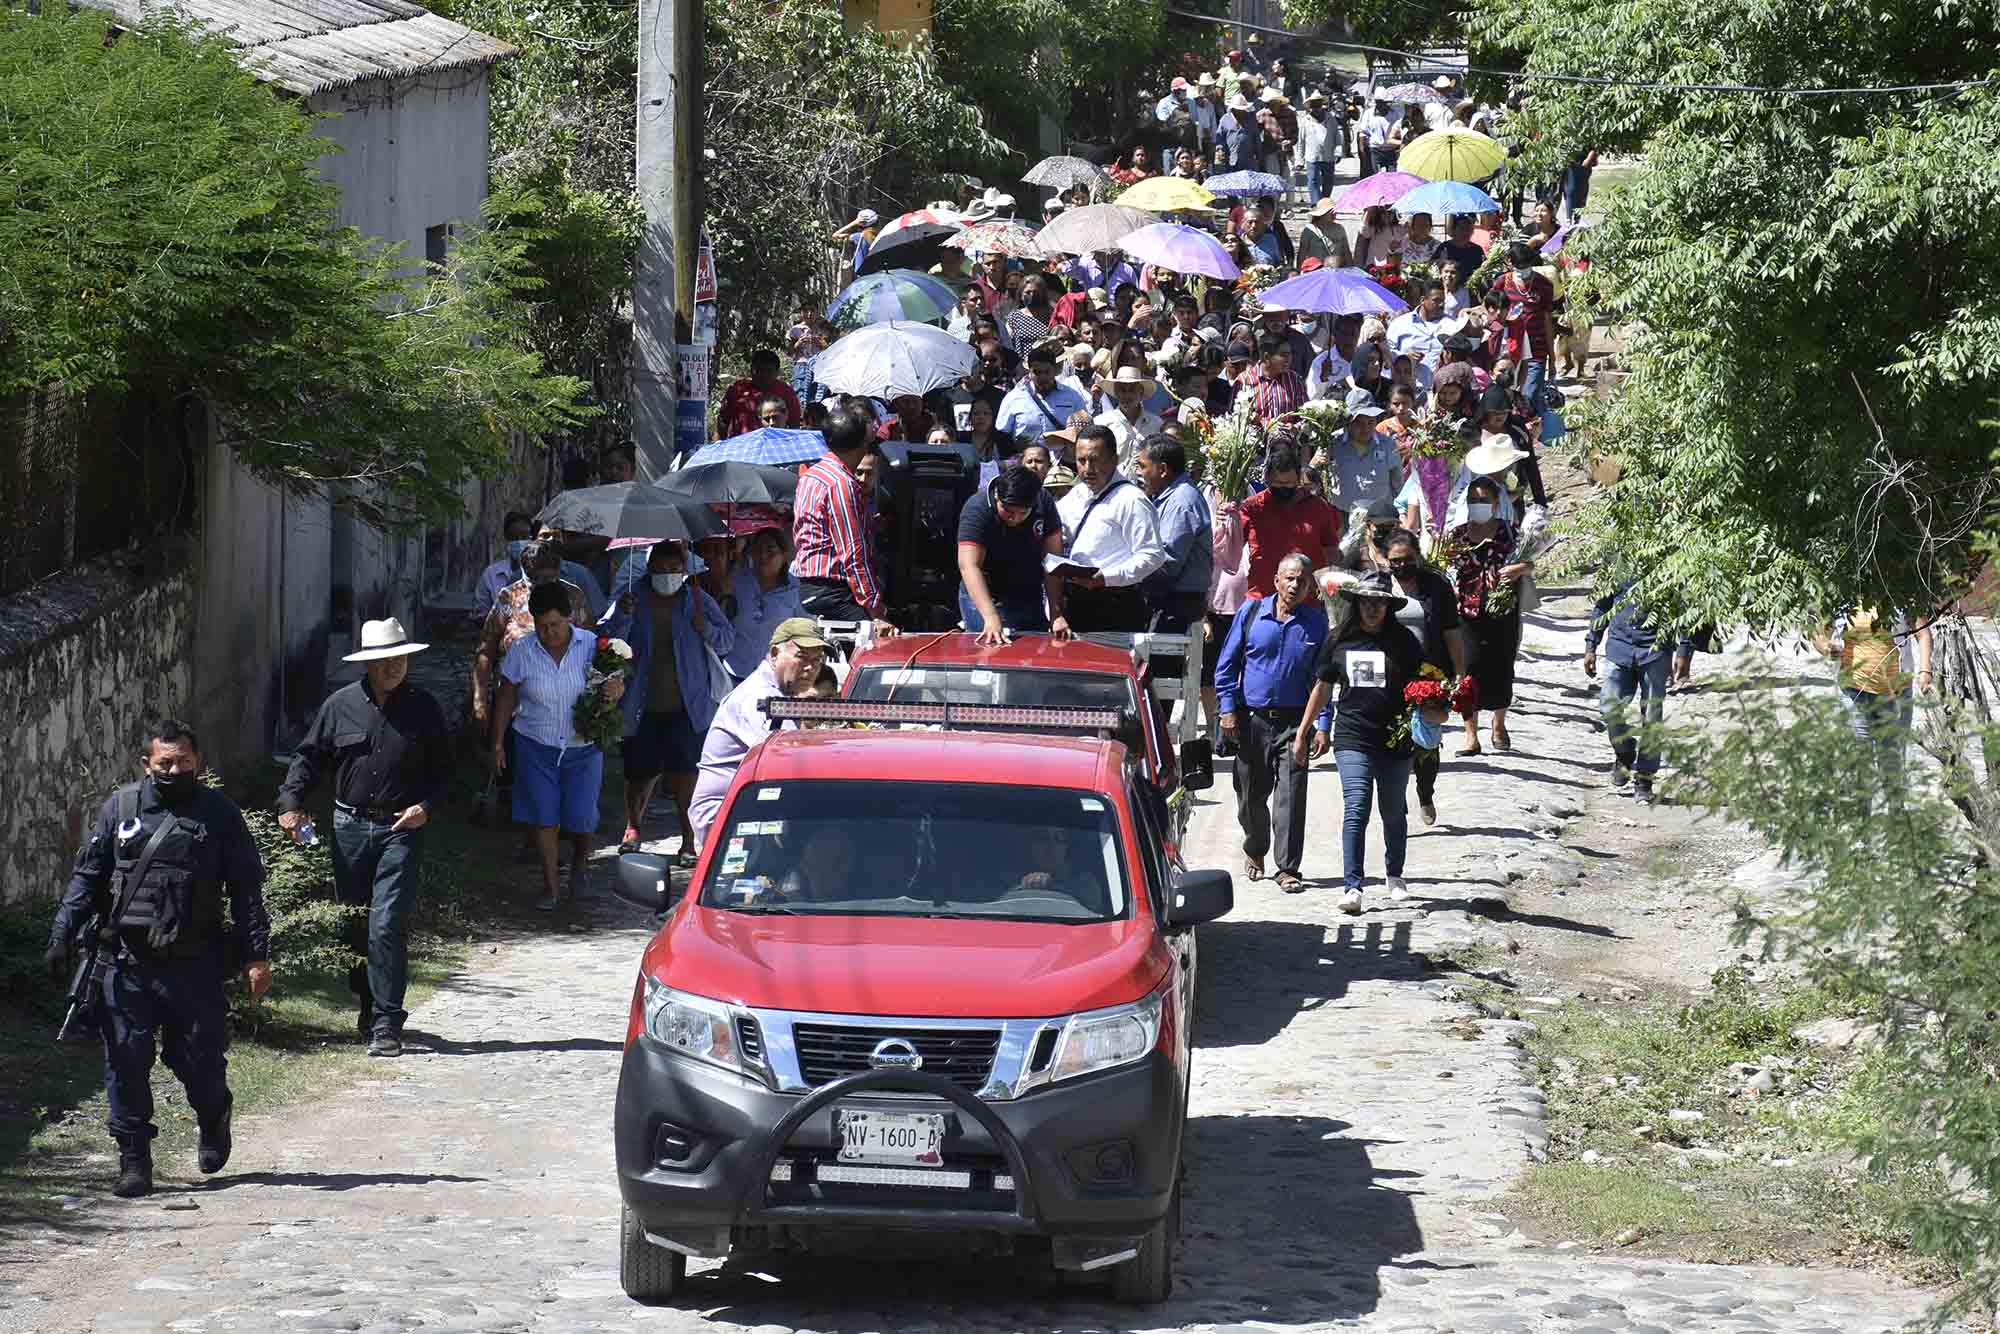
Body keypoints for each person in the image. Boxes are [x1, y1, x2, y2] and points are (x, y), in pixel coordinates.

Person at [46, 720, 271, 1197]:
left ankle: (214, 1115)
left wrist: (257, 956)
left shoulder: (219, 814)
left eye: (183, 763)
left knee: (195, 1058)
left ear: (198, 764)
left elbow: (248, 892)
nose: (173, 770)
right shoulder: (120, 809)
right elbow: (88, 876)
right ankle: (134, 1160)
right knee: (125, 1060)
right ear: (146, 764)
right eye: (164, 763)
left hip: (196, 964)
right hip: (125, 962)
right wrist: (63, 931)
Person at [278, 619, 450, 1057]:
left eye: (402, 657)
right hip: (349, 828)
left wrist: (425, 808)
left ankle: (388, 1021)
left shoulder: (424, 709)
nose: (395, 665)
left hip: (400, 829)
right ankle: (368, 1007)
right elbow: (307, 758)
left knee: (386, 923)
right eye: (386, 659)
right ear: (369, 664)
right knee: (354, 924)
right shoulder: (340, 706)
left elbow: (447, 772)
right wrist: (290, 805)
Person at [1294, 570, 1426, 914]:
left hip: (1396, 738)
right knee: (1356, 808)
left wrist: (1432, 716)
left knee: (1394, 810)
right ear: (1356, 604)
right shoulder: (1339, 640)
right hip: (1353, 735)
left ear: (1388, 607)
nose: (1372, 609)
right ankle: (1353, 886)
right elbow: (1322, 688)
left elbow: (1423, 688)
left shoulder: (1405, 643)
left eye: (1379, 603)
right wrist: (1304, 729)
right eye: (1366, 602)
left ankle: (1394, 875)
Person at [491, 581, 624, 911]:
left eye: (555, 624)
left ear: (569, 619)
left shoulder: (594, 646)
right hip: (535, 743)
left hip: (583, 745)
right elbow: (506, 695)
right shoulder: (523, 651)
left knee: (581, 815)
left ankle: (580, 864)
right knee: (544, 816)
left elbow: (615, 681)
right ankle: (551, 886)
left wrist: (614, 691)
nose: (549, 632)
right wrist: (497, 743)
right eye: (542, 625)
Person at [603, 540, 735, 860]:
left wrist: (706, 630)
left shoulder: (698, 601)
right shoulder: (633, 600)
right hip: (640, 704)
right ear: (648, 571)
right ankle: (633, 828)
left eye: (674, 570)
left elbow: (727, 640)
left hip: (688, 706)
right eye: (660, 570)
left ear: (684, 571)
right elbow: (606, 637)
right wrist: (624, 616)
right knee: (638, 772)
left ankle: (688, 840)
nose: (667, 576)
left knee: (686, 776)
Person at [1214, 553, 1333, 891]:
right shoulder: (1251, 613)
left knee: (1292, 796)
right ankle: (1255, 847)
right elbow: (1226, 666)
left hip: (1296, 722)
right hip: (1251, 721)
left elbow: (1323, 678)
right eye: (1290, 578)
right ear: (1276, 581)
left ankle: (1287, 868)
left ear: (1310, 587)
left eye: (1302, 580)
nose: (1295, 585)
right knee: (1250, 796)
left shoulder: (1316, 623)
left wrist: (1322, 723)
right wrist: (1226, 711)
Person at [688, 619, 831, 846]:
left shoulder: (781, 694)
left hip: (752, 804)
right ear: (775, 654)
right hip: (724, 814)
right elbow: (788, 759)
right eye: (802, 657)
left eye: (817, 661)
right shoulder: (759, 697)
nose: (810, 668)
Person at [1443, 475, 1536, 755]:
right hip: (1466, 611)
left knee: (1501, 665)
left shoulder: (1510, 532)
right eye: (1473, 500)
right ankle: (1470, 734)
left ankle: (1499, 723)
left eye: (1484, 500)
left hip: (1501, 609)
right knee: (1467, 668)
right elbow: (1445, 566)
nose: (1478, 505)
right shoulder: (1457, 535)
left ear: (1496, 505)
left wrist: (1516, 570)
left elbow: (1530, 561)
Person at [793, 403, 898, 639]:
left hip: (810, 587)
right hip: (834, 591)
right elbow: (853, 552)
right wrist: (875, 609)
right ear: (862, 442)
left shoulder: (813, 475)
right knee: (879, 646)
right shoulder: (841, 483)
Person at [1383, 530, 1467, 824]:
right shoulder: (1379, 586)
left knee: (1426, 740)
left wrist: (1459, 671)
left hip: (1430, 672)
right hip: (1391, 674)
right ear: (1386, 561)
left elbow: (1451, 631)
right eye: (1395, 561)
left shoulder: (1436, 586)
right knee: (1394, 739)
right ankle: (1396, 801)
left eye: (1407, 559)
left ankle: (1425, 792)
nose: (1402, 566)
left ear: (1418, 557)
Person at [1584, 580, 1689, 803]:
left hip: (1656, 650)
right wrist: (1590, 646)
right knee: (1609, 707)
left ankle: (1644, 779)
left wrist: (1684, 652)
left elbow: (1687, 608)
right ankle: (1625, 751)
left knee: (1651, 716)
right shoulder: (1617, 559)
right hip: (1619, 646)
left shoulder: (1674, 559)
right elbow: (1602, 605)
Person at [1055, 426, 1166, 632]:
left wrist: (1107, 576)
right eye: (1081, 461)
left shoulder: (1131, 500)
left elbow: (1152, 555)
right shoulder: (1074, 495)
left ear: (1114, 460)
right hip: (1073, 601)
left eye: (1095, 460)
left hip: (1115, 605)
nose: (1088, 468)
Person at [1818, 607, 1935, 797]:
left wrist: (1925, 672)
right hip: (1853, 693)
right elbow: (1819, 634)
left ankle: (1896, 818)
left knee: (1892, 766)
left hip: (1895, 695)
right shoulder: (1841, 592)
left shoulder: (1900, 593)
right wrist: (1826, 647)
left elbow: (1923, 635)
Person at [958, 462, 1070, 643]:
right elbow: (969, 565)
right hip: (986, 592)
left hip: (1028, 592)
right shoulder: (977, 508)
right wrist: (990, 616)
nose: (1015, 518)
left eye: (1023, 512)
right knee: (991, 648)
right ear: (997, 497)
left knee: (1033, 651)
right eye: (1008, 511)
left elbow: (1053, 562)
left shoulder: (1044, 502)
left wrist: (1056, 614)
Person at [1240, 443, 1343, 599]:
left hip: (1307, 600)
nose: (1283, 489)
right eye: (1278, 484)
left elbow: (1331, 549)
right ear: (1267, 479)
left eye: (1288, 484)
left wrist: (1330, 581)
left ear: (1298, 479)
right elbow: (1230, 549)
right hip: (1263, 597)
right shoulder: (1252, 508)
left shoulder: (1317, 507)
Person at [1135, 434, 1213, 633]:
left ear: (1162, 469)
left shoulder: (1181, 502)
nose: (1138, 473)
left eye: (1142, 466)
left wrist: (1123, 575)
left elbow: (1165, 563)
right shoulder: (1166, 497)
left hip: (1177, 606)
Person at [722, 526, 805, 681]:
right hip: (735, 673)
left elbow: (805, 631)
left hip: (776, 676)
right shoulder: (737, 582)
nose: (763, 555)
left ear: (784, 554)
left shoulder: (796, 588)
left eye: (770, 550)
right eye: (757, 550)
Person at [997, 342, 1090, 443]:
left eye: (1047, 372)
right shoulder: (1013, 398)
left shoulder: (1072, 397)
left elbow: (1085, 430)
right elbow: (1002, 434)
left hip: (1062, 457)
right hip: (1027, 457)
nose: (1042, 377)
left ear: (1054, 370)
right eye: (1037, 372)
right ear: (1029, 372)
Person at [1330, 388, 1403, 510]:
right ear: (1348, 422)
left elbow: (1397, 483)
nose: (1366, 428)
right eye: (1359, 423)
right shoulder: (1333, 443)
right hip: (1341, 517)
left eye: (1370, 422)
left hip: (1379, 520)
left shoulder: (1387, 444)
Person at [718, 349, 802, 437]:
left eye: (769, 371)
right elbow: (723, 421)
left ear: (777, 372)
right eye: (759, 370)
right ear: (751, 370)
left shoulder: (786, 392)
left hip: (775, 446)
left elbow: (794, 425)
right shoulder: (737, 389)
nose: (763, 375)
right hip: (741, 447)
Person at [1093, 365, 1163, 470]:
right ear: (1116, 393)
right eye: (1122, 390)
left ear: (1140, 392)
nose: (1127, 395)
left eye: (1132, 390)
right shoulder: (1101, 423)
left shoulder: (1156, 423)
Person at [470, 512, 537, 622]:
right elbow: (479, 613)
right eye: (513, 537)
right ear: (506, 538)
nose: (519, 541)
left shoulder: (542, 571)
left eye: (524, 536)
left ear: (532, 538)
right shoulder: (491, 574)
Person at [1237, 333, 1307, 426]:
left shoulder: (1294, 380)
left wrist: (1295, 427)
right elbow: (1236, 415)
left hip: (1288, 438)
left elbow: (1305, 415)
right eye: (1283, 355)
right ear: (1266, 357)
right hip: (1255, 438)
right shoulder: (1245, 381)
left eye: (1290, 354)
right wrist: (1263, 423)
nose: (1289, 359)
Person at [1389, 281, 1451, 371]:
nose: (1441, 305)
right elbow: (1388, 351)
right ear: (1422, 300)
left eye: (1443, 301)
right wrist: (1405, 357)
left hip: (1439, 383)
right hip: (1408, 382)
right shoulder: (1401, 323)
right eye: (1436, 300)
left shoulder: (1451, 325)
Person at [1298, 91, 1343, 207]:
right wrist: (1300, 160)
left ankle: (1325, 202)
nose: (1316, 108)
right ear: (1310, 107)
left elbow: (1337, 136)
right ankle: (1316, 204)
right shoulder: (1305, 121)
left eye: (1318, 105)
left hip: (1328, 156)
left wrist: (1338, 152)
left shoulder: (1330, 119)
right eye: (1314, 106)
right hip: (1312, 156)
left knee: (1328, 181)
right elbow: (1301, 141)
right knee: (1313, 180)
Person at [1003, 275, 1058, 362]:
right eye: (1028, 292)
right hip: (1024, 366)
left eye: (1035, 292)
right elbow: (1006, 344)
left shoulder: (1052, 315)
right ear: (1021, 295)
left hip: (1049, 366)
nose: (1032, 295)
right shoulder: (1015, 317)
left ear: (1042, 294)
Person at [1297, 196, 1352, 269]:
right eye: (1330, 211)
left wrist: (1351, 268)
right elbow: (1302, 253)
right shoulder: (1310, 230)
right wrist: (1299, 270)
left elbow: (1346, 252)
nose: (1334, 213)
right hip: (1317, 270)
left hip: (1337, 269)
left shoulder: (1339, 229)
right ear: (1322, 214)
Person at [1218, 92, 1265, 172]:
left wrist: (1259, 157)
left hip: (1249, 162)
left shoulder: (1250, 120)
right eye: (1238, 110)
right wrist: (1220, 150)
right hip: (1231, 161)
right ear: (1233, 109)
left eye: (1242, 110)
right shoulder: (1225, 120)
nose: (1241, 112)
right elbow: (1220, 138)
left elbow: (1257, 139)